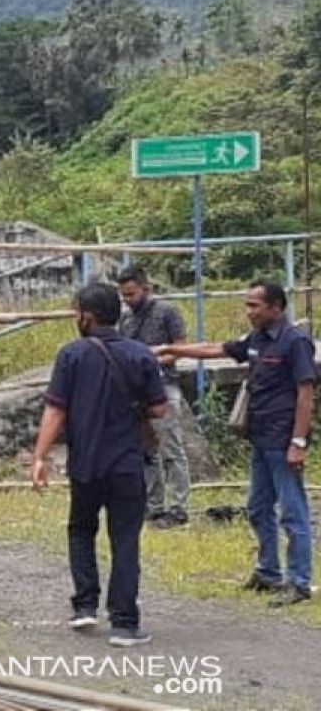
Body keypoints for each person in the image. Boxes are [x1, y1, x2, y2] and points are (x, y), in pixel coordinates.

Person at [157, 280, 314, 607]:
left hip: (283, 438)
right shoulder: (256, 339)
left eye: (255, 305)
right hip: (260, 437)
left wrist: (298, 441)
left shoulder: (294, 342)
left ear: (276, 307)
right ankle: (267, 572)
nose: (249, 312)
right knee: (258, 508)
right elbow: (217, 350)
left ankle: (299, 582)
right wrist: (173, 350)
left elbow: (305, 393)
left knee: (292, 511)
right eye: (247, 305)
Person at [31, 283, 168, 647]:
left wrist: (40, 457)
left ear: (86, 317)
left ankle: (85, 606)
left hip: (85, 464)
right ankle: (124, 623)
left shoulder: (71, 355)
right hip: (126, 464)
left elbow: (55, 409)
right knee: (125, 540)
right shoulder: (141, 355)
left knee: (81, 531)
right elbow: (158, 408)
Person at [117, 266, 190, 529]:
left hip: (164, 386)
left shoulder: (167, 312)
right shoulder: (126, 320)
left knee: (171, 448)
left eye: (131, 294)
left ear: (145, 289)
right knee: (147, 451)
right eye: (123, 295)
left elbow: (181, 348)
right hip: (138, 392)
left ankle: (179, 507)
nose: (127, 299)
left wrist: (152, 360)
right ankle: (154, 504)